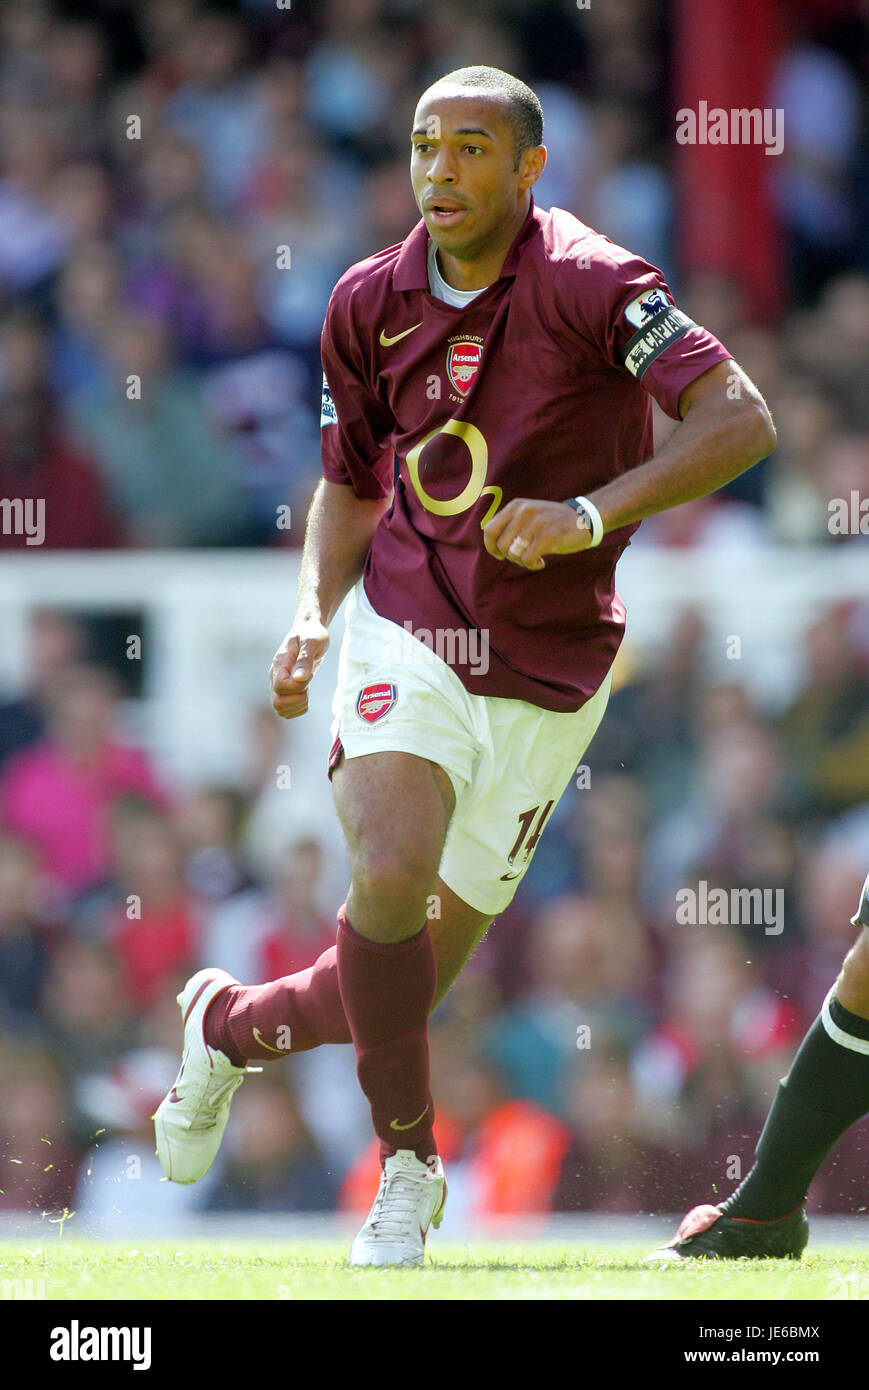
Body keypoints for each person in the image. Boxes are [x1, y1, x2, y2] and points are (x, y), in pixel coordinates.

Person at [154, 65, 775, 1267]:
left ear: (530, 167)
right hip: (407, 624)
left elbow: (740, 419)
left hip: (551, 671)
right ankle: (407, 1168)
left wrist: (587, 516)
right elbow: (345, 483)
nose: (440, 170)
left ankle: (223, 1024)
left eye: (471, 149)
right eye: (424, 146)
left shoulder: (597, 282)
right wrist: (309, 613)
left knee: (389, 984)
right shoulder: (363, 300)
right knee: (385, 874)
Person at [651, 870, 869, 1260]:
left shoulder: (773, 1026)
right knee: (862, 977)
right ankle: (769, 1208)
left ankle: (767, 1209)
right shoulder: (666, 1044)